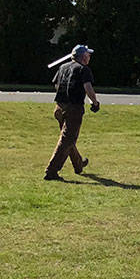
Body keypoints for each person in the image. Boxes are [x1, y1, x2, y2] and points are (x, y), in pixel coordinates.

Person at [45, 44, 100, 180]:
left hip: (59, 107)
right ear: (83, 56)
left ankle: (78, 164)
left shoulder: (63, 67)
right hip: (74, 108)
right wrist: (95, 102)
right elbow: (88, 87)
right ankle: (51, 171)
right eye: (88, 55)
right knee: (67, 140)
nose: (89, 57)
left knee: (68, 139)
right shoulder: (84, 69)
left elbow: (56, 85)